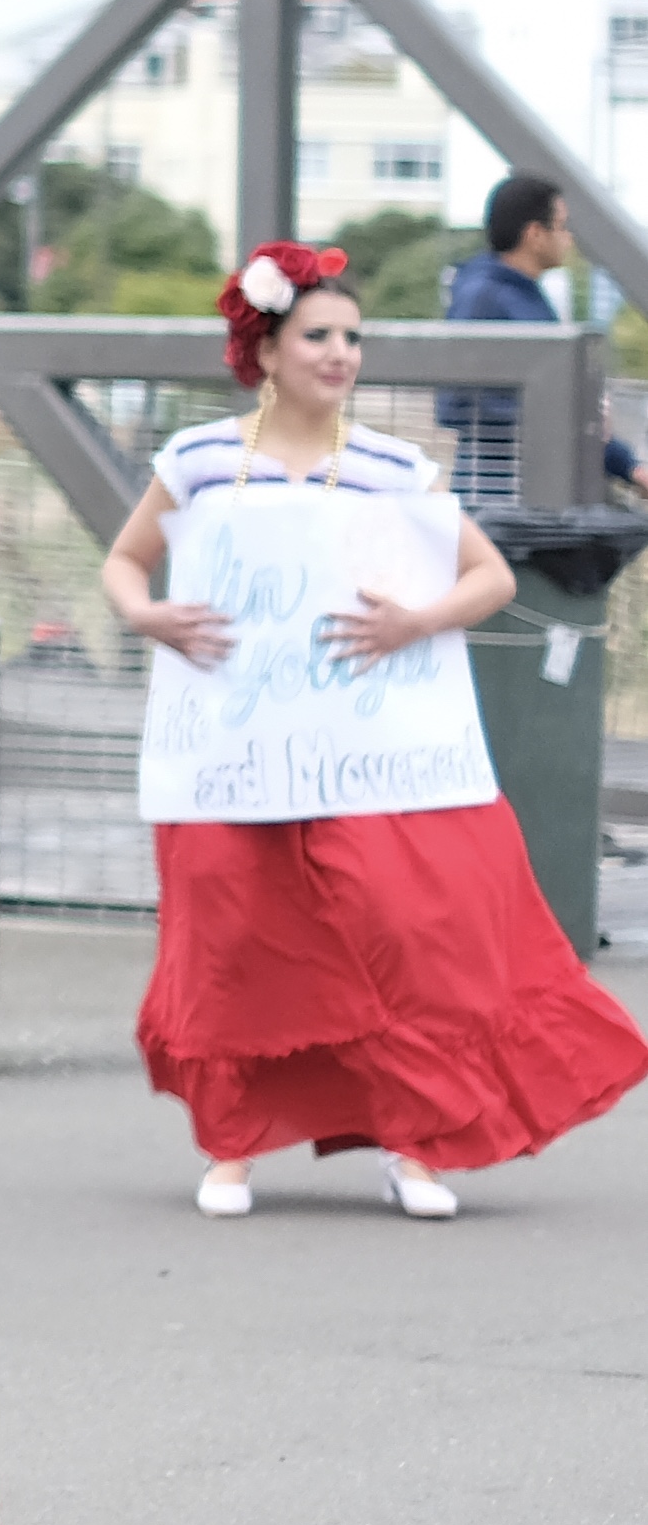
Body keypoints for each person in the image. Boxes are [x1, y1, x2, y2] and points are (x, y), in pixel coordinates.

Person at [101, 239, 647, 1219]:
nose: (340, 353)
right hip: (233, 751)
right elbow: (123, 563)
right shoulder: (200, 459)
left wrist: (412, 622)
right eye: (319, 335)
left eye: (351, 337)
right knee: (233, 929)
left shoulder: (392, 467)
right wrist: (147, 615)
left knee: (396, 931)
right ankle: (232, 1146)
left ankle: (413, 1142)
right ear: (266, 349)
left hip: (364, 754)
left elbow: (487, 576)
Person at [435, 172, 642, 511]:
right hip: (496, 497)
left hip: (529, 491)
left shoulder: (524, 295)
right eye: (562, 226)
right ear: (535, 234)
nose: (569, 238)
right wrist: (572, 415)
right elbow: (454, 402)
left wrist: (617, 455)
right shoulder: (483, 297)